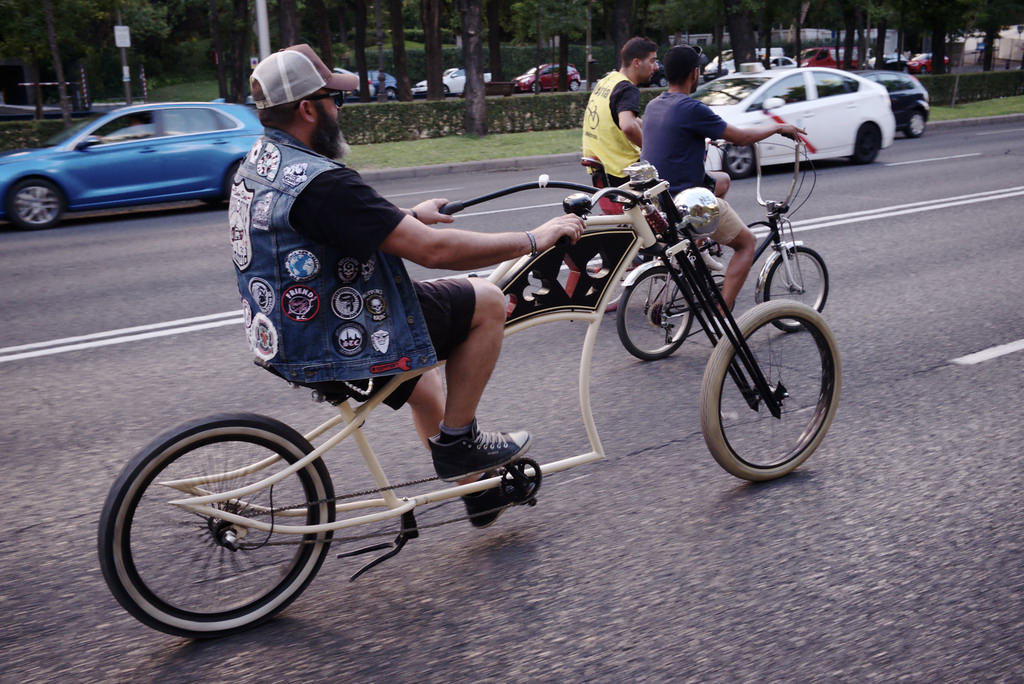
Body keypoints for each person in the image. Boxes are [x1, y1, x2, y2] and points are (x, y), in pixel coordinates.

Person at [232, 45, 584, 527]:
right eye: (336, 101)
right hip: (335, 332)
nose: (341, 110)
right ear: (308, 108)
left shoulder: (262, 160)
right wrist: (533, 238)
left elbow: (336, 223)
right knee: (486, 300)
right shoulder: (324, 182)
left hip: (282, 329)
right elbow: (433, 252)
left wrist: (410, 217)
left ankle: (478, 493)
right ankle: (460, 442)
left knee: (422, 377)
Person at [640, 45, 805, 310]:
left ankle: (699, 243)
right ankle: (723, 313)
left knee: (722, 179)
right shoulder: (692, 108)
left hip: (658, 204)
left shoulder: (653, 105)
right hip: (686, 204)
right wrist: (777, 127)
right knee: (747, 244)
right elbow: (741, 137)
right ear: (694, 73)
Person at [582, 37, 659, 215]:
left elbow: (631, 120)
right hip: (622, 173)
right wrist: (652, 149)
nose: (656, 67)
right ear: (637, 62)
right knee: (675, 193)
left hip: (603, 169)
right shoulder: (627, 89)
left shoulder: (608, 81)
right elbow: (628, 127)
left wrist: (653, 132)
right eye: (653, 60)